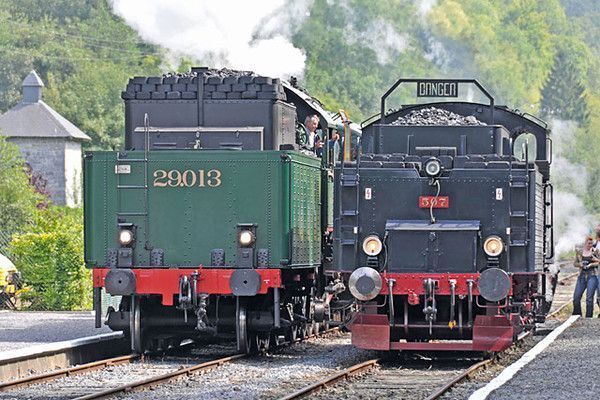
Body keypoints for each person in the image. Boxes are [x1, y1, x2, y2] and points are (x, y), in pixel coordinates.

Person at [572, 235, 599, 318]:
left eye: (591, 243)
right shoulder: (579, 252)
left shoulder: (595, 252)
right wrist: (580, 264)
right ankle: (577, 315)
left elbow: (598, 262)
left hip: (592, 276)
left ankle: (588, 318)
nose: (590, 245)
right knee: (576, 297)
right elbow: (575, 263)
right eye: (588, 243)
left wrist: (591, 264)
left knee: (589, 299)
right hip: (582, 276)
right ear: (585, 243)